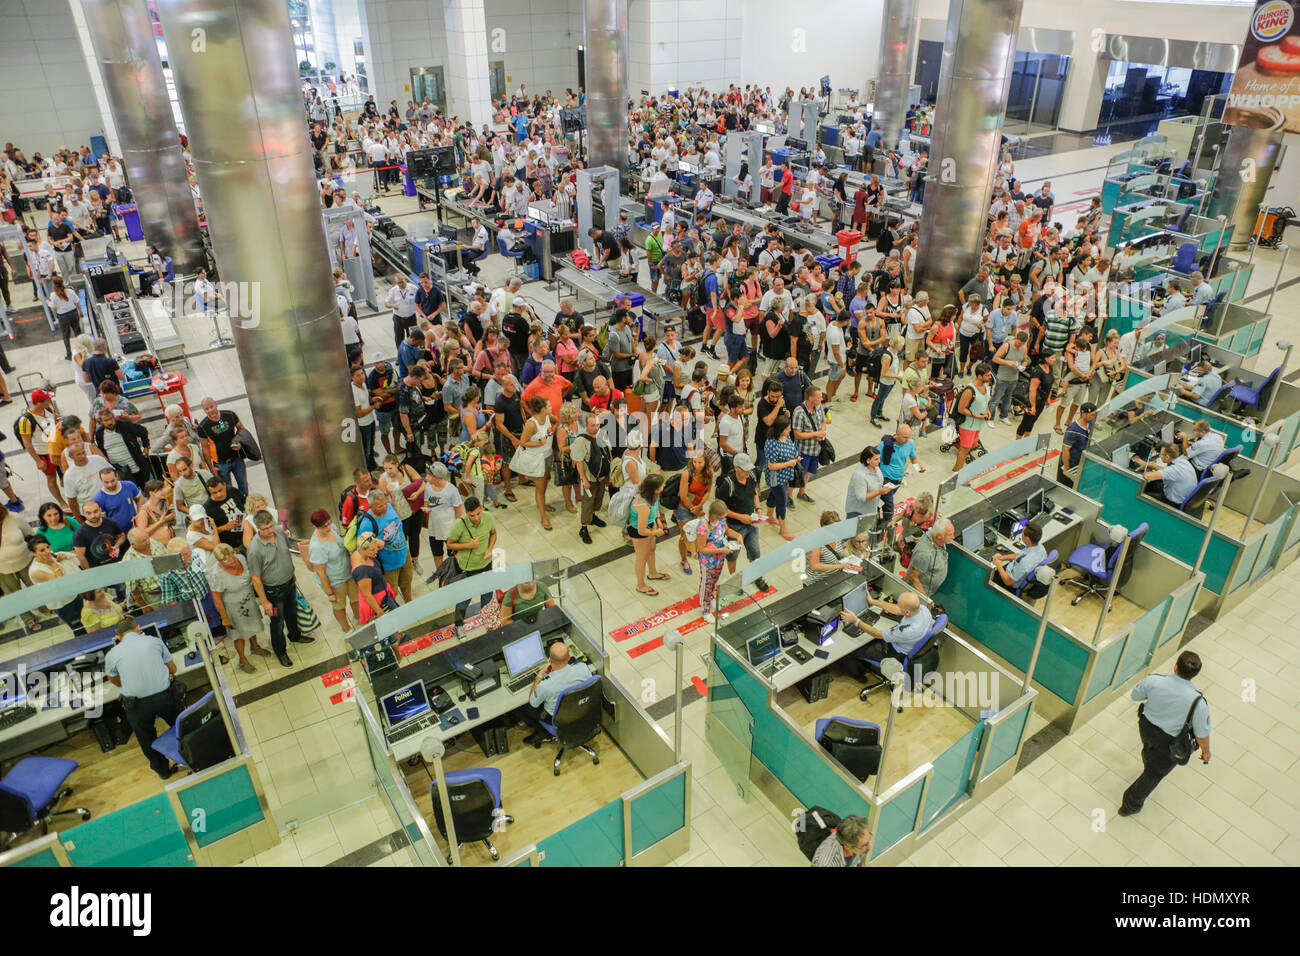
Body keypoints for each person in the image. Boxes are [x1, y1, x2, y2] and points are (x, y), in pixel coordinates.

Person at [1119, 650, 1211, 816]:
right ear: (1194, 675)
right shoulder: (1198, 703)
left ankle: (1149, 758)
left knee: (1149, 749)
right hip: (1169, 742)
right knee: (1154, 774)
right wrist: (1206, 751)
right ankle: (1130, 805)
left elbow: (1135, 695)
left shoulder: (1154, 681)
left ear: (1176, 667)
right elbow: (1202, 733)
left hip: (1146, 728)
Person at [104, 615, 183, 779]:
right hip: (166, 697)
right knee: (182, 727)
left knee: (147, 740)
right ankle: (193, 756)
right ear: (138, 628)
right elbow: (173, 669)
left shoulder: (112, 654)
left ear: (118, 637)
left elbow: (112, 679)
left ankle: (163, 772)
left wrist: (128, 684)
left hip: (136, 705)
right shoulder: (154, 641)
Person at [247, 510, 312, 668]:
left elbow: (287, 552)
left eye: (271, 526)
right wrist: (265, 601)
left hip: (289, 583)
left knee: (292, 612)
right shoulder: (254, 549)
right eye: (265, 529)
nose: (270, 531)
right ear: (258, 529)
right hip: (273, 592)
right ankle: (281, 651)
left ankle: (295, 636)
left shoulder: (279, 532)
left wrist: (292, 572)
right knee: (277, 623)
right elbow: (255, 578)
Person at [207, 543, 269, 674]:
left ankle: (255, 646)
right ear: (219, 561)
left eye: (231, 556)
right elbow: (217, 599)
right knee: (239, 634)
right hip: (233, 606)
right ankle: (242, 659)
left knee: (253, 624)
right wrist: (224, 617)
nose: (231, 560)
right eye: (225, 559)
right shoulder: (216, 574)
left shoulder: (240, 558)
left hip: (249, 599)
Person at [521, 639, 594, 746]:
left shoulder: (545, 686)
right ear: (569, 658)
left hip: (558, 721)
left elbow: (533, 703)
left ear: (550, 660)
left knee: (523, 709)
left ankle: (544, 732)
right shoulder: (583, 668)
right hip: (581, 712)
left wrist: (540, 676)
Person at [716, 453, 770, 592]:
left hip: (751, 523)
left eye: (749, 469)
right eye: (745, 470)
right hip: (733, 527)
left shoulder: (751, 477)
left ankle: (757, 576)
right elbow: (719, 509)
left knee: (755, 552)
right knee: (732, 555)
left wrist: (758, 509)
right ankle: (733, 580)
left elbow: (755, 493)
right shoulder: (727, 485)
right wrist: (740, 517)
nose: (748, 473)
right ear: (736, 468)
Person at [445, 496, 498, 621]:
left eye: (478, 514)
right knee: (464, 599)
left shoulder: (488, 517)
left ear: (481, 508)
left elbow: (493, 534)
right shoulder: (459, 524)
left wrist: (489, 549)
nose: (476, 518)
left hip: (486, 564)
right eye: (472, 516)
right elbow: (449, 544)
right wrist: (469, 545)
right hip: (468, 568)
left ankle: (486, 619)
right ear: (466, 513)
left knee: (487, 595)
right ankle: (458, 624)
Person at [17, 389, 68, 509]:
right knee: (51, 478)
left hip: (59, 449)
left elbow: (56, 419)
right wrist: (38, 461)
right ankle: (61, 502)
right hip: (44, 453)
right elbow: (27, 443)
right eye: (47, 400)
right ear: (39, 403)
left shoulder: (49, 408)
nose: (50, 401)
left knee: (67, 473)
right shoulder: (25, 420)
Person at [851, 591, 934, 665]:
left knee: (854, 650)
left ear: (907, 612)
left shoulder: (907, 630)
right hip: (909, 644)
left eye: (899, 605)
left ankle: (860, 675)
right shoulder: (923, 609)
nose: (897, 606)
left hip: (895, 653)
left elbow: (877, 634)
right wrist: (872, 601)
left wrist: (855, 621)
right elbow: (896, 609)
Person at [307, 508, 357, 631]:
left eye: (329, 523)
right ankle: (346, 628)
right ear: (315, 527)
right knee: (339, 605)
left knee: (356, 598)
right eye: (324, 526)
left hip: (348, 572)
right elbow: (321, 573)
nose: (328, 527)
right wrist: (330, 593)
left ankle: (360, 618)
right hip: (335, 580)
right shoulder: (317, 546)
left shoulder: (332, 528)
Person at [196, 397, 250, 497]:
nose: (210, 410)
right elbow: (205, 448)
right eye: (207, 409)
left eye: (211, 406)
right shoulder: (203, 427)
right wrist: (211, 467)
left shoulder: (229, 415)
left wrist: (240, 443)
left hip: (237, 459)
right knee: (227, 490)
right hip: (220, 465)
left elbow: (242, 430)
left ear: (216, 405)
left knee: (243, 486)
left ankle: (246, 505)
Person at [629, 473, 670, 595]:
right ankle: (640, 585)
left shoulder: (653, 494)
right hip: (638, 530)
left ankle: (653, 573)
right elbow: (641, 531)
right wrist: (656, 532)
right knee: (642, 558)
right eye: (662, 485)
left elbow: (655, 508)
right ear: (655, 488)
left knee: (651, 549)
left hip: (649, 524)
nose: (664, 485)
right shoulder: (642, 505)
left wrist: (657, 519)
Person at [422, 463, 464, 577]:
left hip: (449, 528)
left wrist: (458, 530)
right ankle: (440, 573)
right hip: (434, 528)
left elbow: (458, 511)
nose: (426, 478)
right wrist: (426, 508)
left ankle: (456, 573)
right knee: (436, 552)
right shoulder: (428, 487)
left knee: (453, 552)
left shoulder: (451, 490)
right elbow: (426, 501)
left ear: (437, 477)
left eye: (429, 476)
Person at [877, 424, 923, 522]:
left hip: (898, 480)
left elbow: (913, 457)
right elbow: (875, 460)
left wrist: (918, 467)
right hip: (885, 479)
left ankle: (877, 516)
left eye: (909, 437)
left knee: (883, 501)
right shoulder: (885, 445)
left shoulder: (910, 443)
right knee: (889, 506)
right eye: (904, 437)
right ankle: (888, 525)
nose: (907, 440)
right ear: (897, 434)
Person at [952, 363, 993, 472]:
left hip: (977, 425)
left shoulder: (986, 386)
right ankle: (957, 471)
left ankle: (958, 470)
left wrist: (987, 410)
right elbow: (961, 409)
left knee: (970, 446)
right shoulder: (970, 390)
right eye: (988, 375)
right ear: (980, 376)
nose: (990, 377)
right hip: (968, 425)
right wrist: (977, 416)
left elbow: (985, 400)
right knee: (964, 449)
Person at [1133, 443, 1198, 509]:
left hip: (1172, 503)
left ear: (1167, 456)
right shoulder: (1184, 462)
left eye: (1160, 454)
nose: (1160, 456)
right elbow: (1167, 471)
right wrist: (1150, 465)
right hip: (1182, 495)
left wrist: (1138, 471)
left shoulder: (1173, 470)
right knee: (1152, 484)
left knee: (1138, 495)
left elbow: (1147, 477)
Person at [351, 532, 395, 624]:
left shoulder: (359, 551)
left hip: (384, 594)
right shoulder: (362, 572)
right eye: (372, 550)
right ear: (363, 549)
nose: (376, 551)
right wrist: (381, 613)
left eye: (376, 548)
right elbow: (368, 595)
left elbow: (379, 544)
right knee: (391, 627)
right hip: (379, 603)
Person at [992, 521, 1048, 592]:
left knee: (990, 573)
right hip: (1017, 571)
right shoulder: (1040, 548)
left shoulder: (1024, 563)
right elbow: (1021, 555)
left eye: (1022, 532)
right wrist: (1002, 557)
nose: (1021, 534)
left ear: (1027, 539)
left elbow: (1007, 582)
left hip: (1009, 584)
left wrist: (998, 564)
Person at [845, 446, 892, 528]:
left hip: (871, 508)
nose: (879, 461)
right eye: (876, 459)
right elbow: (862, 497)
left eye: (879, 458)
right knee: (852, 534)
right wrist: (879, 492)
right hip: (858, 511)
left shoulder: (876, 468)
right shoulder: (860, 475)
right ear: (868, 460)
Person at [1016, 351, 1056, 439]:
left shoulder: (1050, 368)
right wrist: (1033, 406)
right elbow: (1032, 389)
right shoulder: (1038, 372)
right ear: (1045, 358)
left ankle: (1025, 441)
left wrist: (1048, 398)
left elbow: (1049, 385)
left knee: (1032, 422)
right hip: (1033, 401)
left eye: (1054, 358)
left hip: (1042, 401)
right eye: (1052, 358)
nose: (1054, 360)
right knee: (1025, 422)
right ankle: (1017, 445)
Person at [1058, 402, 1097, 486]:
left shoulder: (1089, 424)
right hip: (1069, 465)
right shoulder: (1072, 430)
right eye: (1092, 415)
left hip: (1078, 463)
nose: (1094, 418)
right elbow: (1065, 450)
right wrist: (1066, 468)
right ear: (1083, 413)